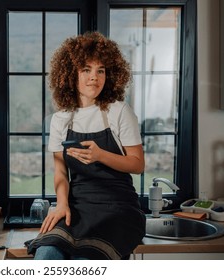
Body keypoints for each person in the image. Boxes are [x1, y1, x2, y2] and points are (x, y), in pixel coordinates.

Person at [26, 31, 146, 260]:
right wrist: (61, 204)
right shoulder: (60, 119)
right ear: (70, 75)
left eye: (100, 70)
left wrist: (100, 155)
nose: (94, 77)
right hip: (78, 206)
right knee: (46, 255)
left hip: (119, 209)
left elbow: (138, 164)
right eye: (86, 70)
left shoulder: (119, 111)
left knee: (85, 263)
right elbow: (60, 172)